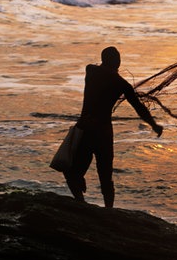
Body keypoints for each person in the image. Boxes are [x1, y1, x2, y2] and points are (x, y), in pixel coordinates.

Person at [64, 46, 163, 208]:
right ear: (116, 61)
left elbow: (97, 68)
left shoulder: (91, 71)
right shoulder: (121, 84)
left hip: (86, 128)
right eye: (118, 59)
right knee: (105, 174)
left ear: (103, 59)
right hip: (103, 132)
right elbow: (139, 108)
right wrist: (154, 125)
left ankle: (80, 202)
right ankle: (108, 209)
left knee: (71, 170)